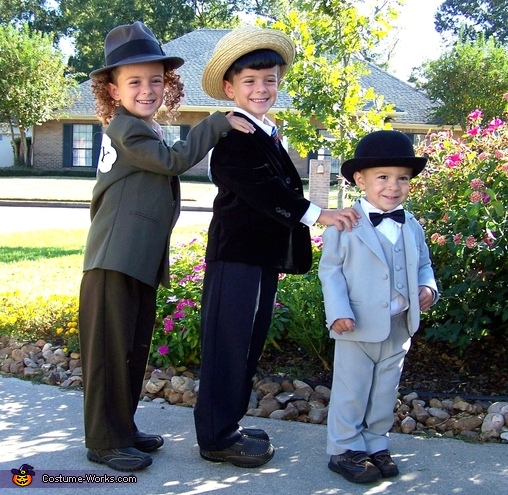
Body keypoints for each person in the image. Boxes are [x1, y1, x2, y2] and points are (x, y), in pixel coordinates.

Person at [78, 21, 254, 473]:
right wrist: (215, 123)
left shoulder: (144, 126)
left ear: (167, 84)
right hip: (113, 262)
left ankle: (123, 427)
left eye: (155, 80)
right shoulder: (126, 129)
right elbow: (174, 162)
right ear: (113, 91)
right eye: (134, 81)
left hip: (135, 261)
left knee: (132, 350)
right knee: (109, 355)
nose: (147, 89)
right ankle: (103, 441)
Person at [193, 25, 360, 468]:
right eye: (249, 81)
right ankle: (215, 437)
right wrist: (318, 214)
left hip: (260, 257)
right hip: (236, 258)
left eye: (269, 80)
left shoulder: (264, 131)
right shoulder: (231, 135)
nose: (261, 88)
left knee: (247, 343)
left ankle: (229, 425)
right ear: (229, 88)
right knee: (227, 344)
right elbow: (262, 189)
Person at [318, 130, 439, 483]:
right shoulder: (345, 225)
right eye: (382, 177)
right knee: (352, 391)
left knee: (385, 392)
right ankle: (344, 449)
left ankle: (375, 443)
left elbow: (423, 265)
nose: (393, 186)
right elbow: (332, 272)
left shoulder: (411, 224)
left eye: (402, 178)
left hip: (399, 326)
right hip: (356, 326)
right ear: (360, 179)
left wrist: (427, 287)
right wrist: (338, 311)